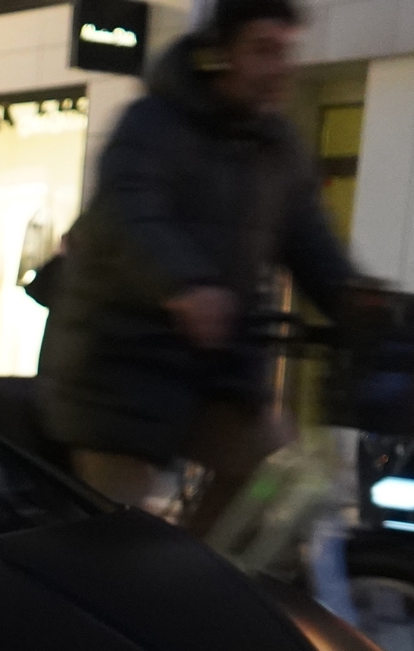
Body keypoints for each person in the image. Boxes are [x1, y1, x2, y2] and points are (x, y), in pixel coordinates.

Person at [38, 0, 354, 535]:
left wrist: (360, 302)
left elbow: (310, 242)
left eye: (286, 52)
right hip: (116, 368)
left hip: (213, 368)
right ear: (218, 56)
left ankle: (198, 577)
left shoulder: (278, 148)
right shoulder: (152, 124)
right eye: (263, 50)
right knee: (116, 544)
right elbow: (131, 209)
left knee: (279, 469)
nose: (280, 68)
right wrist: (184, 285)